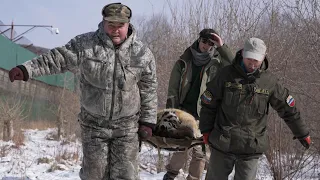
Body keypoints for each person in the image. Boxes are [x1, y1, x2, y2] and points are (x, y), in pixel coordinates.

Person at [8, 3, 157, 180]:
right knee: (94, 175)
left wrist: (148, 121)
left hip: (127, 127)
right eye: (111, 25)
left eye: (120, 26)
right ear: (103, 23)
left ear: (128, 25)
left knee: (126, 175)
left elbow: (148, 87)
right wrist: (27, 70)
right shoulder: (85, 45)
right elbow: (57, 59)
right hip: (94, 126)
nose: (116, 30)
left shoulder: (141, 53)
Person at [199, 37, 311, 180]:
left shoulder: (269, 82)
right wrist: (206, 130)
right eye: (249, 59)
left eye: (256, 61)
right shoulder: (226, 75)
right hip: (223, 142)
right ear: (243, 54)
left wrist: (302, 133)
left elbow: (287, 109)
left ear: (263, 58)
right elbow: (209, 104)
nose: (252, 64)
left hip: (251, 147)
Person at [163, 29, 234, 180]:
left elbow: (233, 67)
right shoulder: (184, 61)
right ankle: (170, 175)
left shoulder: (217, 63)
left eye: (211, 44)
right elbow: (173, 89)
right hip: (183, 112)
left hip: (206, 113)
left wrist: (222, 46)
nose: (206, 46)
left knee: (200, 152)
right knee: (181, 147)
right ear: (199, 40)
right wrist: (172, 111)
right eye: (204, 41)